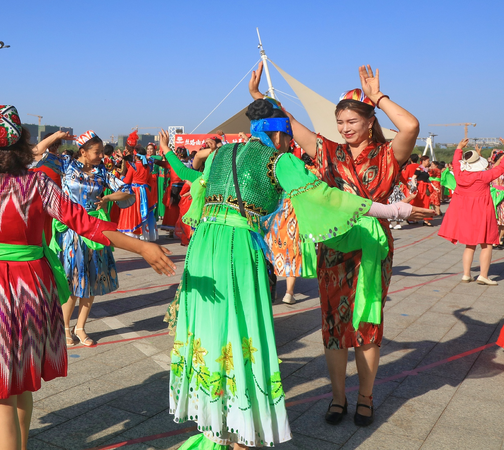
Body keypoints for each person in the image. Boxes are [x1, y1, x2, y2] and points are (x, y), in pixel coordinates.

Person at [161, 94, 430, 448]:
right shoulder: (279, 160)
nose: (291, 143)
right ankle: (239, 427)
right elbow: (325, 198)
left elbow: (192, 180)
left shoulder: (220, 154)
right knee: (244, 329)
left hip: (203, 248)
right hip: (237, 249)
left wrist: (167, 153)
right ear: (278, 135)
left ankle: (213, 423)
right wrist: (395, 212)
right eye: (288, 137)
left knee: (209, 329)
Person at [0, 105, 175, 450]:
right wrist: (141, 246)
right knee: (19, 384)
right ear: (21, 143)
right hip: (28, 286)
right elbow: (87, 223)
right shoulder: (38, 185)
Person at [269, 63, 421, 427]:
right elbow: (289, 123)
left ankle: (365, 397)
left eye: (352, 121)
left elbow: (412, 126)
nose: (345, 129)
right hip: (334, 245)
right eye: (340, 123)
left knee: (367, 322)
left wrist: (378, 97)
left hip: (371, 246)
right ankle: (338, 398)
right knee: (334, 324)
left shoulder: (388, 154)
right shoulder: (329, 153)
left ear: (369, 122)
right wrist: (263, 99)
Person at [438, 138, 504, 285]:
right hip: (483, 212)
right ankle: (483, 275)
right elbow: (500, 168)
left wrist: (459, 147)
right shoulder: (484, 176)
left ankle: (466, 274)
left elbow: (456, 162)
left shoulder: (459, 175)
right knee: (486, 244)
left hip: (466, 213)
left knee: (470, 245)